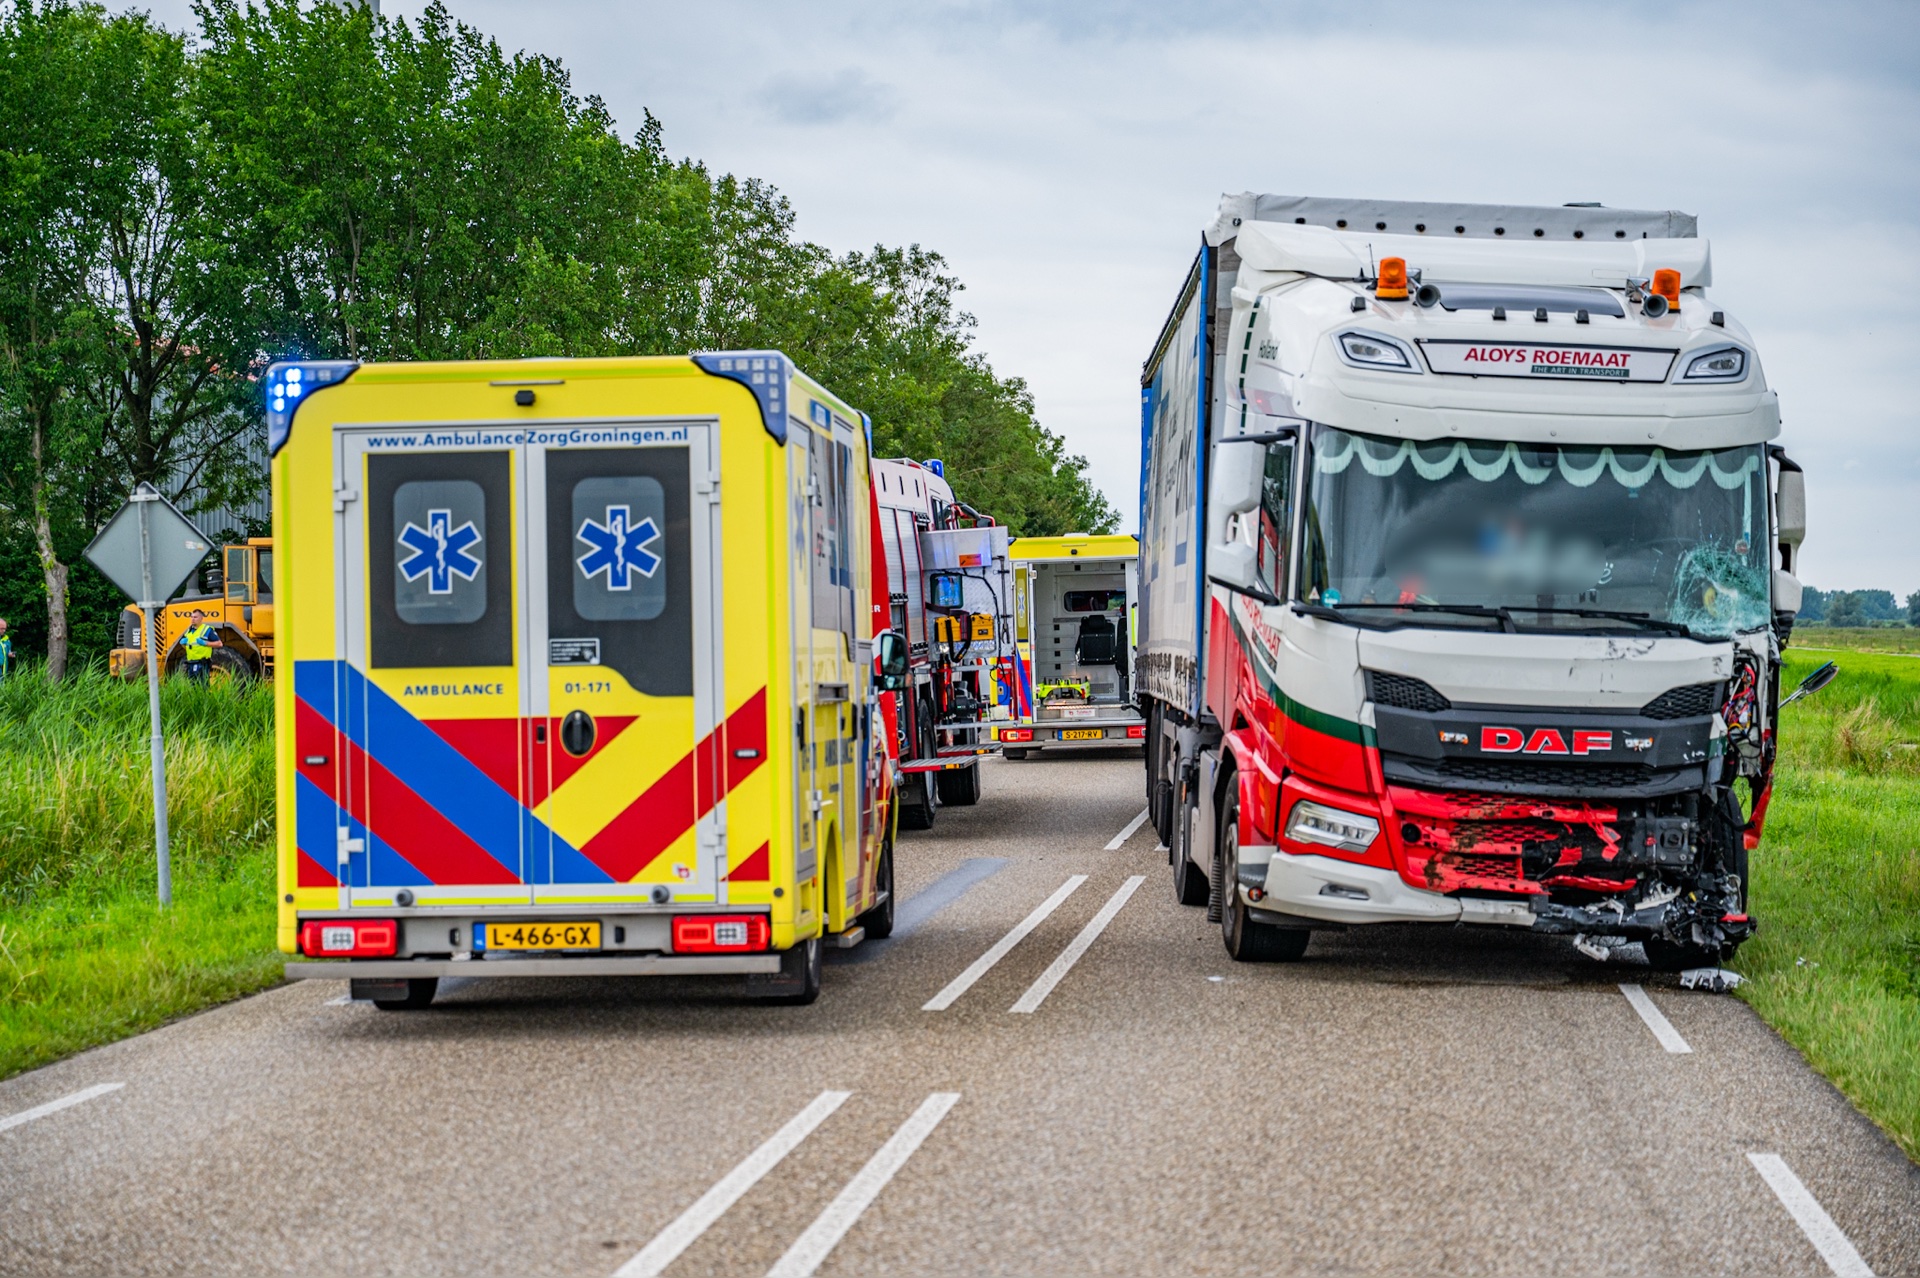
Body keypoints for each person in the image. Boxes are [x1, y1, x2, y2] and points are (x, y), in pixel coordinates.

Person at [178, 609, 222, 684]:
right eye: (191, 617)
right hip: (190, 663)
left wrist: (205, 643)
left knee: (203, 687)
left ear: (201, 618)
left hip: (202, 664)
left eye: (195, 617)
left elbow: (219, 644)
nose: (192, 619)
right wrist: (183, 644)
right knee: (192, 688)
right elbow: (188, 648)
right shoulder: (189, 631)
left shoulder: (207, 630)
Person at [0, 618, 11, 682]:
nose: (4, 631)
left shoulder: (6, 640)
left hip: (3, 670)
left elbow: (7, 650)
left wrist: (9, 654)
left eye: (5, 629)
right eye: (1, 628)